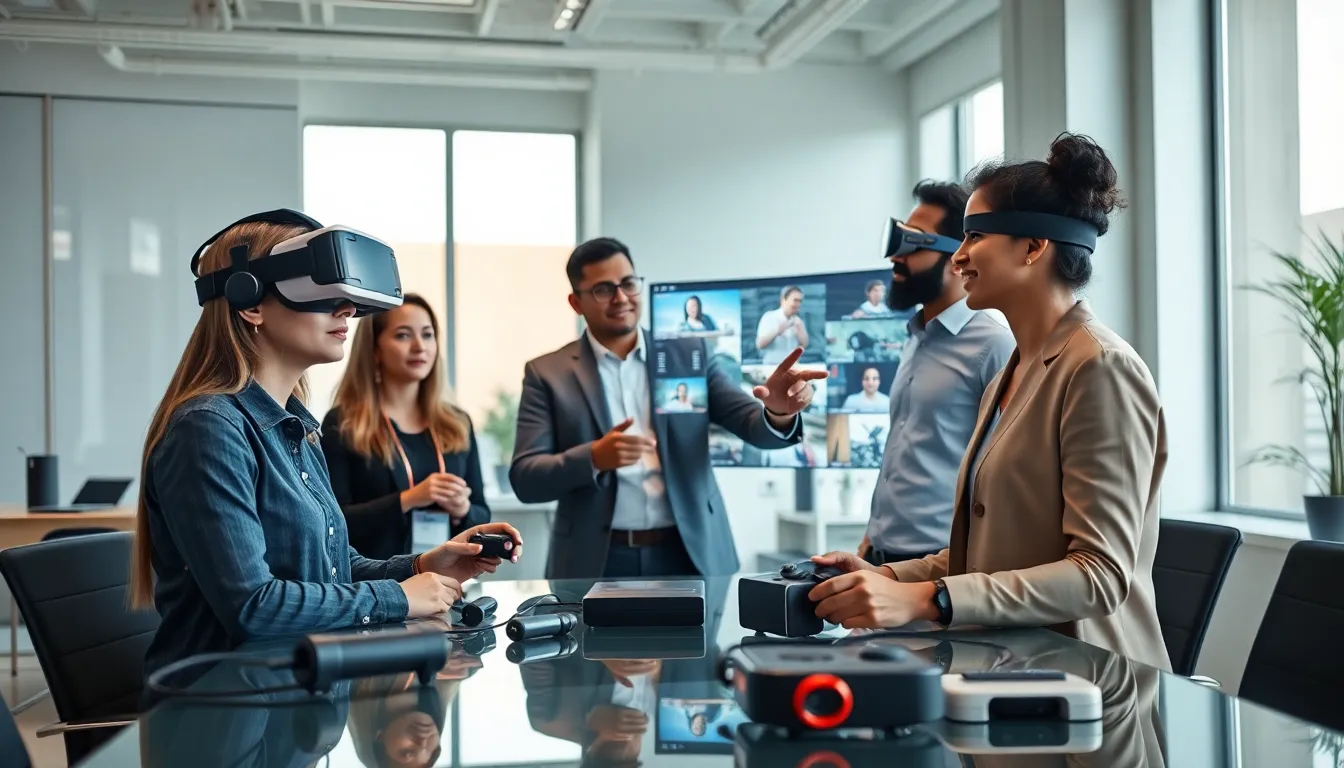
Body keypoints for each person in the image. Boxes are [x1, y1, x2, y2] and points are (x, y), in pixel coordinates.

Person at [810, 134, 1171, 672]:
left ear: (1033, 247)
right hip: (1011, 672)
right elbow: (988, 552)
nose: (958, 256)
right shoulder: (1014, 370)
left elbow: (1100, 575)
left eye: (975, 236)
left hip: (1087, 689)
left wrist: (929, 600)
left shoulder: (1099, 367)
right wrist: (887, 577)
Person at [130, 210, 523, 684]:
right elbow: (253, 608)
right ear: (250, 303)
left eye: (346, 297)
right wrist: (401, 597)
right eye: (321, 294)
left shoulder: (295, 426)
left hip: (294, 697)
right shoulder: (209, 429)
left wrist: (421, 565)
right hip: (226, 708)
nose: (346, 311)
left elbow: (331, 568)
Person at [511, 237, 826, 579]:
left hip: (689, 554)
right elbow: (527, 478)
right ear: (576, 302)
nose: (621, 298)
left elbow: (750, 422)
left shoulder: (689, 354)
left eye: (628, 284)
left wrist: (778, 413)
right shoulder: (547, 373)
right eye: (603, 289)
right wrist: (594, 457)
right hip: (595, 561)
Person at [859, 180, 1015, 566]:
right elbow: (905, 450)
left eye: (912, 243)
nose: (896, 257)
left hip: (942, 563)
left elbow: (1007, 473)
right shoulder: (916, 338)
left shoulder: (994, 346)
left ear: (958, 256)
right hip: (882, 556)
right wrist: (870, 536)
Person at [322, 293, 492, 560]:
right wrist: (409, 499)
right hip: (374, 585)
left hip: (449, 583)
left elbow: (482, 513)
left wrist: (463, 510)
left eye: (427, 335)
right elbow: (334, 522)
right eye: (403, 335)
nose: (419, 347)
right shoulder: (343, 423)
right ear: (375, 349)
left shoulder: (456, 423)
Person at [755, 285, 809, 364]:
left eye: (800, 301)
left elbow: (804, 344)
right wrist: (777, 331)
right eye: (795, 300)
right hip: (772, 369)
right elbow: (760, 344)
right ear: (783, 300)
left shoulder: (798, 321)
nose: (798, 304)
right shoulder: (769, 317)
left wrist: (800, 329)